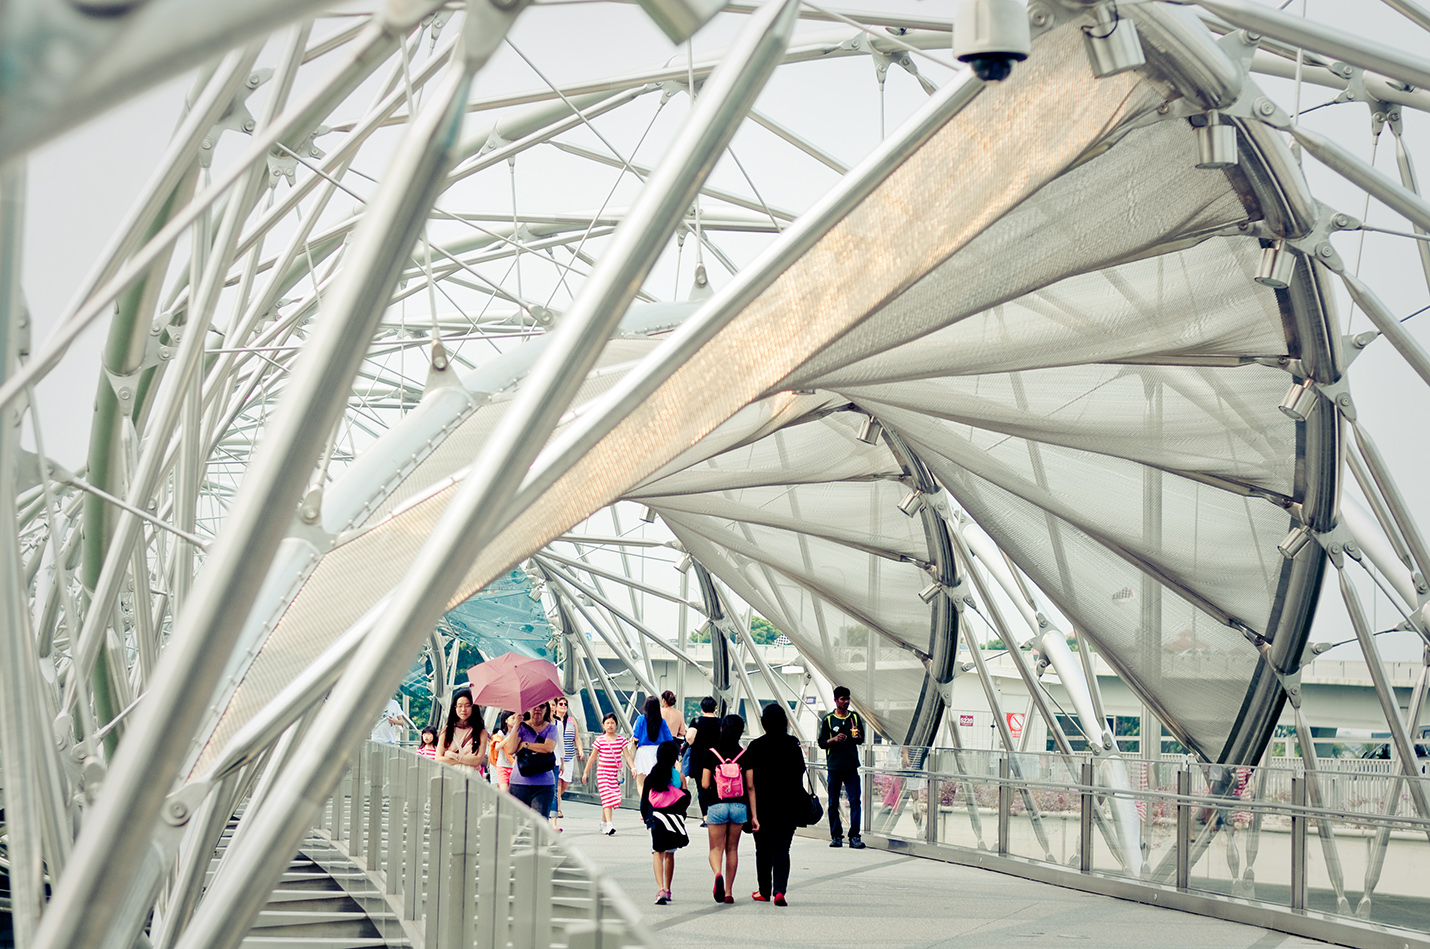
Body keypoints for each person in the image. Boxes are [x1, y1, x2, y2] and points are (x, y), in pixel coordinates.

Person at [746, 703, 807, 906]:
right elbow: (800, 772)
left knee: (762, 850)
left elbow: (749, 782)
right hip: (788, 806)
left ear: (764, 723)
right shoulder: (792, 744)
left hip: (762, 806)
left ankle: (764, 891)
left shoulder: (755, 746)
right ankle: (779, 891)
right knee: (782, 849)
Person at [700, 714, 747, 904]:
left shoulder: (711, 754)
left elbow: (704, 784)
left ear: (722, 729)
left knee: (715, 848)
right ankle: (728, 892)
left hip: (717, 804)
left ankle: (717, 874)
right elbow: (750, 785)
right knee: (732, 849)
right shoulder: (744, 754)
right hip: (739, 806)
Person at [639, 740, 690, 905]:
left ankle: (660, 888)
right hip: (673, 820)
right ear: (675, 757)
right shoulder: (679, 777)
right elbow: (685, 799)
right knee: (670, 854)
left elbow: (644, 801)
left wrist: (647, 819)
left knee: (657, 852)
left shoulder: (652, 776)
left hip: (657, 819)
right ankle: (668, 889)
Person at [818, 685, 865, 848]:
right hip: (834, 767)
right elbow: (821, 742)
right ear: (835, 700)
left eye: (848, 699)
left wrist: (857, 735)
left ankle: (854, 837)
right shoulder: (828, 719)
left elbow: (860, 740)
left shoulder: (854, 717)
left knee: (855, 802)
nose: (846, 702)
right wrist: (833, 739)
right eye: (843, 699)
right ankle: (836, 836)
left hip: (851, 767)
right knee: (833, 803)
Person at [504, 700, 559, 823]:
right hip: (519, 782)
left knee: (539, 825)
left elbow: (548, 748)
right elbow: (511, 749)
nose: (537, 709)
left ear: (546, 709)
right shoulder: (521, 727)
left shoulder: (551, 728)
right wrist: (517, 725)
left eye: (542, 706)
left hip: (543, 784)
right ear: (528, 708)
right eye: (534, 706)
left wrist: (526, 745)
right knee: (516, 823)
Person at [584, 712, 629, 835]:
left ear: (616, 725)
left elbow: (627, 756)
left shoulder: (621, 740)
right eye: (607, 723)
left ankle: (603, 823)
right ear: (603, 725)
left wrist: (633, 768)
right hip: (603, 772)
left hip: (614, 774)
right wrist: (585, 772)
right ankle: (609, 824)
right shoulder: (600, 740)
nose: (610, 725)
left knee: (611, 798)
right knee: (607, 797)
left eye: (612, 723)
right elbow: (592, 757)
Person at [436, 689, 489, 773]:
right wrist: (467, 760)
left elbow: (477, 760)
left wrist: (453, 756)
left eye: (467, 705)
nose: (463, 709)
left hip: (470, 777)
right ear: (455, 708)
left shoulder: (481, 732)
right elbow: (438, 759)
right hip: (450, 775)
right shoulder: (447, 730)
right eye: (459, 706)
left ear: (473, 707)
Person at [684, 697, 720, 818]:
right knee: (716, 787)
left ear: (702, 708)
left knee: (701, 788)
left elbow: (689, 738)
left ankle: (705, 816)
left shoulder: (696, 721)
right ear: (715, 708)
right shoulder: (720, 722)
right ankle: (715, 814)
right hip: (716, 759)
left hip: (699, 759)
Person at [629, 696, 673, 797]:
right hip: (658, 752)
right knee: (656, 781)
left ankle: (645, 801)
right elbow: (669, 739)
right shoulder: (662, 721)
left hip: (643, 753)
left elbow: (636, 736)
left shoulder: (640, 719)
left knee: (641, 782)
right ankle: (655, 800)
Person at [552, 696, 585, 822]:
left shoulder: (572, 721)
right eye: (561, 704)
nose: (563, 706)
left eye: (565, 704)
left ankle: (552, 800)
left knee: (565, 783)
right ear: (556, 706)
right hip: (556, 756)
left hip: (569, 756)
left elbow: (577, 737)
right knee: (558, 783)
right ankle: (557, 809)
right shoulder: (552, 721)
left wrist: (580, 749)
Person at [488, 710, 517, 791]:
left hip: (513, 766)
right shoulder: (501, 733)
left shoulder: (517, 733)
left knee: (512, 792)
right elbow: (497, 747)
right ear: (506, 720)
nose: (515, 721)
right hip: (502, 766)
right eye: (513, 718)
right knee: (504, 791)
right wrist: (509, 737)